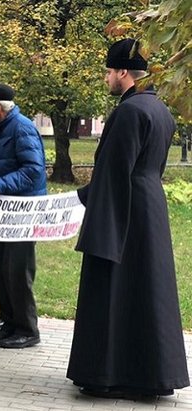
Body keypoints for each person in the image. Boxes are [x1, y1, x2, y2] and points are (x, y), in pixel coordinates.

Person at [67, 38, 189, 399]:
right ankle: (153, 374)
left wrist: (86, 204)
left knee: (116, 289)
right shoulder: (160, 110)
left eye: (108, 72)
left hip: (123, 209)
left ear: (122, 72)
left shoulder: (129, 111)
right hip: (149, 205)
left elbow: (113, 170)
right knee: (147, 288)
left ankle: (109, 375)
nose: (106, 78)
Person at [0, 84, 46, 349]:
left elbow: (33, 170)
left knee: (18, 272)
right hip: (5, 214)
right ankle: (10, 323)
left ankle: (28, 329)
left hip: (23, 213)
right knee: (1, 270)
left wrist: (1, 185)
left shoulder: (22, 128)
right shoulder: (3, 129)